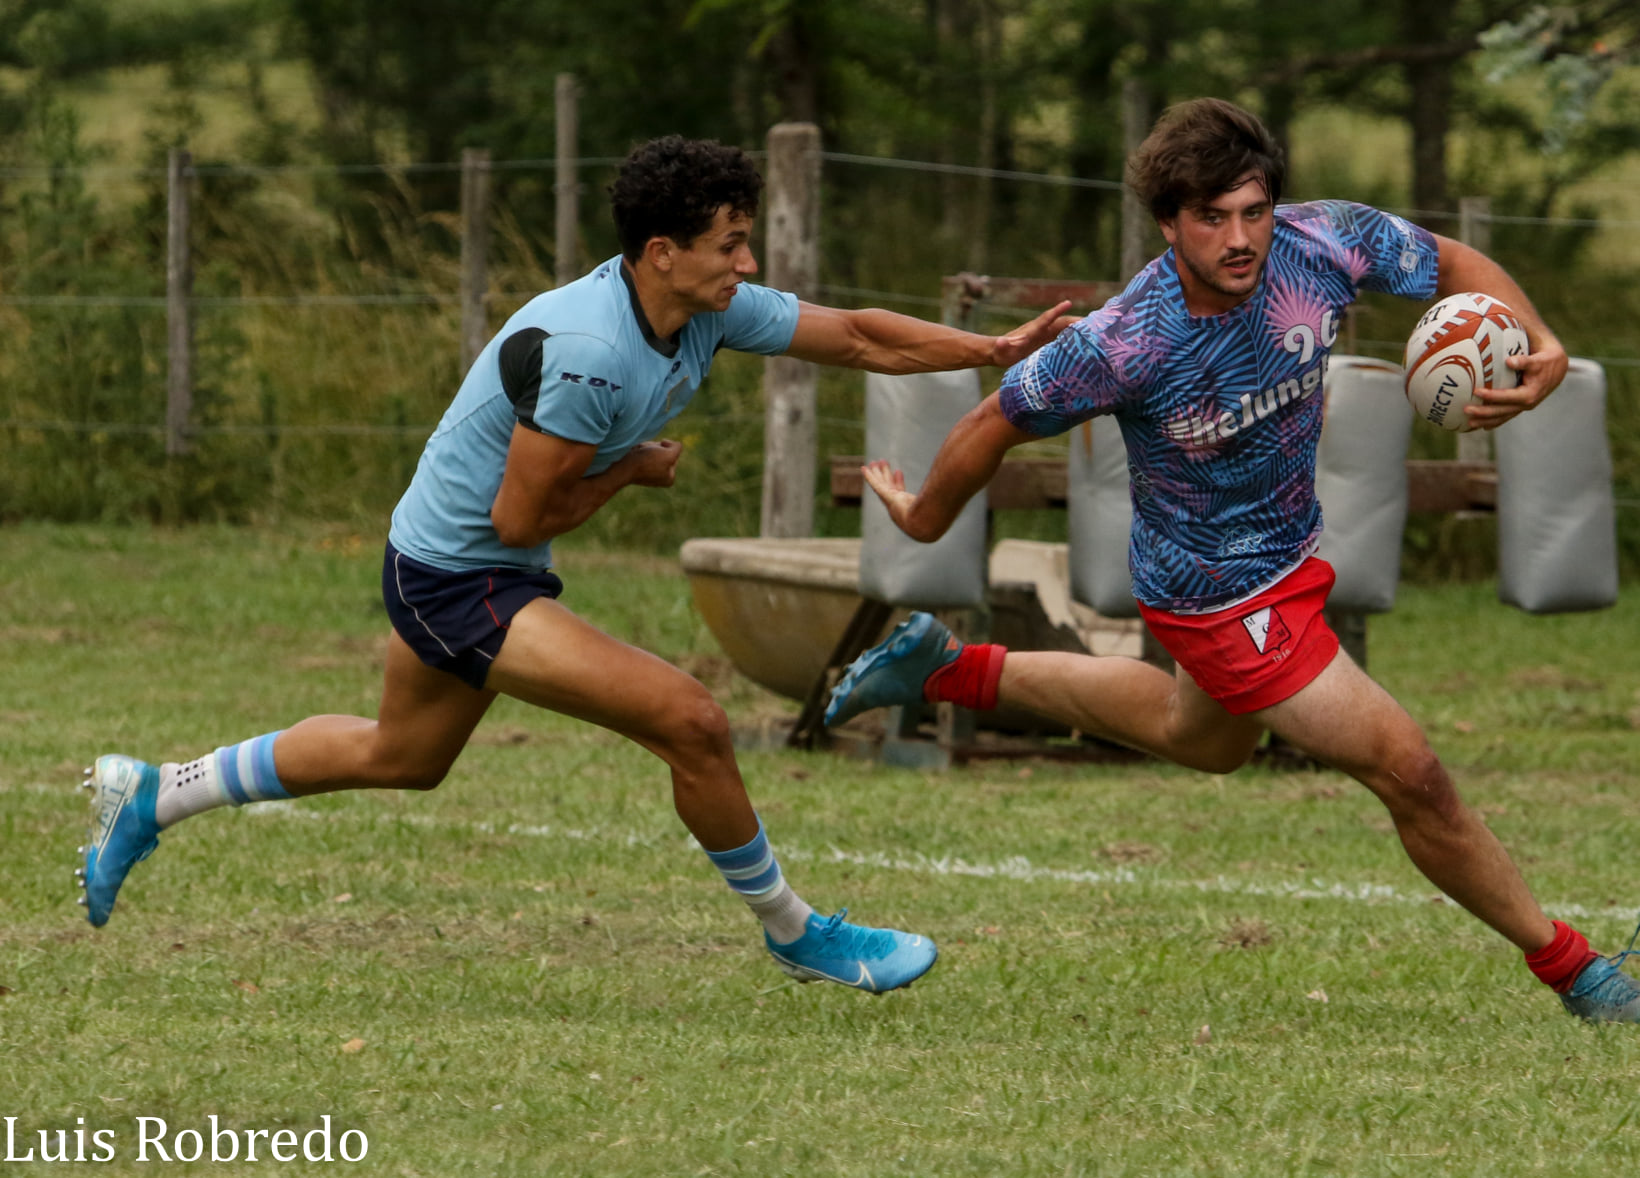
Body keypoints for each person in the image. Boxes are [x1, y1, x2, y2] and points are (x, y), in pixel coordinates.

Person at [78, 135, 1071, 995]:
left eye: (743, 237)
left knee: (402, 756)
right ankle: (797, 931)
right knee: (692, 719)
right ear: (660, 253)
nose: (747, 259)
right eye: (729, 242)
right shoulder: (592, 348)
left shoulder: (705, 305)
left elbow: (853, 334)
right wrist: (630, 470)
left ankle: (159, 790)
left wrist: (993, 345)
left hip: (456, 560)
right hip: (459, 576)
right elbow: (517, 520)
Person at [824, 99, 1640, 1022]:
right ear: (1167, 222)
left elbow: (1453, 263)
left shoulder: (1325, 244)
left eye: (1254, 211)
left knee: (1206, 742)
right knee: (1409, 771)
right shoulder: (1126, 341)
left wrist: (1541, 340)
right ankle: (1576, 970)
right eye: (1211, 218)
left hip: (1286, 560)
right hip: (1216, 598)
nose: (1240, 239)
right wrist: (924, 519)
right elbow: (993, 421)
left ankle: (947, 668)